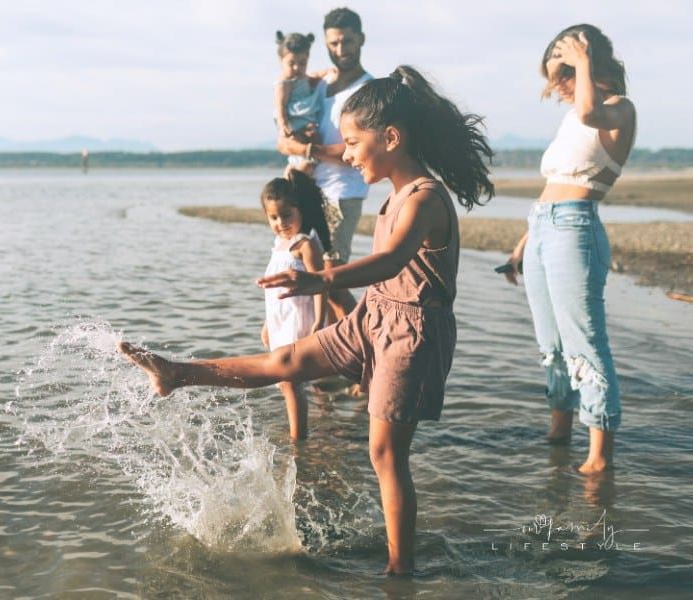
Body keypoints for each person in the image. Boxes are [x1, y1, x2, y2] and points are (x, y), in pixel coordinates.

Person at [119, 65, 494, 574]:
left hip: (411, 334)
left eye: (354, 142)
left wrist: (319, 280)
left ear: (391, 138)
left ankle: (399, 571)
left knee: (384, 453)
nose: (348, 153)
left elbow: (392, 261)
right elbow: (383, 274)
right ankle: (178, 373)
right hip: (374, 317)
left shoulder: (424, 197)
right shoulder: (394, 195)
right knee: (286, 358)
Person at [501, 24, 634, 474]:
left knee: (585, 344)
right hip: (543, 229)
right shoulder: (573, 113)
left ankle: (599, 456)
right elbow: (552, 186)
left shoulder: (618, 109)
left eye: (564, 73)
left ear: (588, 61)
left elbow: (591, 114)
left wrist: (581, 64)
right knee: (551, 345)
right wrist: (524, 241)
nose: (557, 86)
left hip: (576, 230)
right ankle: (559, 432)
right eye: (556, 76)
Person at [277, 7, 372, 321]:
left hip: (343, 193)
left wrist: (307, 149)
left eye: (346, 42)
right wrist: (292, 140)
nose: (340, 50)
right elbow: (285, 131)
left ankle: (373, 343)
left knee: (331, 281)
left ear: (361, 40)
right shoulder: (320, 83)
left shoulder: (368, 90)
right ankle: (331, 359)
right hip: (308, 191)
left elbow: (358, 148)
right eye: (333, 44)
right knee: (305, 277)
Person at [260, 171, 332, 439]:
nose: (281, 223)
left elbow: (321, 284)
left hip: (300, 321)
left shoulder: (305, 244)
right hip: (280, 321)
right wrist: (268, 323)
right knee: (286, 382)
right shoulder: (279, 245)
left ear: (299, 210)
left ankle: (298, 438)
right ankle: (323, 419)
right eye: (273, 217)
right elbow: (273, 291)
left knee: (289, 380)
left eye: (286, 215)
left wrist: (318, 321)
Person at [273, 31, 324, 174]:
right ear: (281, 60)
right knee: (304, 159)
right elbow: (280, 105)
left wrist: (326, 72)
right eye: (291, 63)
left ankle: (295, 174)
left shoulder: (303, 78)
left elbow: (313, 76)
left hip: (306, 121)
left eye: (302, 63)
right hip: (294, 123)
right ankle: (296, 178)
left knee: (310, 147)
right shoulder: (284, 82)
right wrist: (283, 126)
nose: (297, 68)